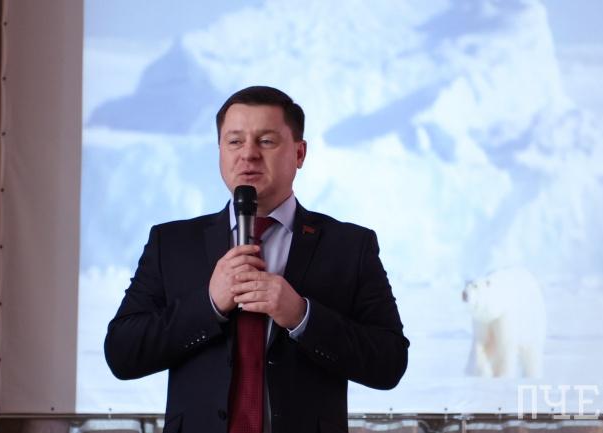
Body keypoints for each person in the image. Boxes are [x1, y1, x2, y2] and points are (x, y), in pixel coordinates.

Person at [104, 86, 409, 433]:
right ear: (219, 151)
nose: (248, 154)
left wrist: (302, 316)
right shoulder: (172, 243)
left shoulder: (349, 246)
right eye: (234, 141)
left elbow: (390, 363)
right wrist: (208, 304)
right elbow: (122, 354)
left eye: (266, 141)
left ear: (299, 153)